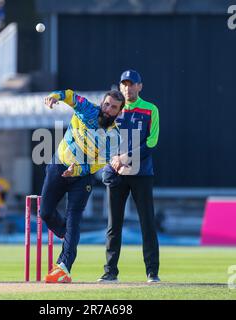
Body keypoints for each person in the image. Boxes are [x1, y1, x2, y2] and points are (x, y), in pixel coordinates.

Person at [40, 89, 125, 283]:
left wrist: (76, 170)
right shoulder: (88, 109)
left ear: (119, 112)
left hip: (82, 177)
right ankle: (67, 235)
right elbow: (69, 95)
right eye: (106, 104)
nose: (108, 109)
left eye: (113, 107)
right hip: (58, 165)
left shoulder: (114, 136)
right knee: (45, 213)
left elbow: (97, 164)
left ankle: (64, 267)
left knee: (74, 219)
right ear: (101, 103)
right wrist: (55, 96)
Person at [97, 69, 160, 283]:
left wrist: (127, 158)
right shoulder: (113, 109)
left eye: (131, 84)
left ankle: (152, 272)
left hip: (141, 173)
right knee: (114, 225)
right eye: (124, 84)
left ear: (140, 86)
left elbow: (151, 143)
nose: (127, 88)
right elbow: (102, 137)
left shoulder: (150, 110)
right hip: (116, 174)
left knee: (147, 223)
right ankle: (110, 272)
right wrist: (114, 159)